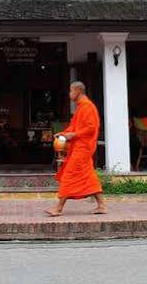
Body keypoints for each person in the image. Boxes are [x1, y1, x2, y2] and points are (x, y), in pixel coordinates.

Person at [45, 81, 106, 216]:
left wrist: (74, 135)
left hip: (84, 147)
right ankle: (102, 205)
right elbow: (74, 126)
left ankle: (58, 208)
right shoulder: (81, 107)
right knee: (89, 175)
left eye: (71, 91)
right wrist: (64, 133)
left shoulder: (87, 107)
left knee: (69, 174)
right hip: (79, 146)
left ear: (78, 91)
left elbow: (91, 128)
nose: (69, 94)